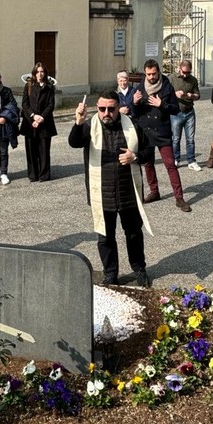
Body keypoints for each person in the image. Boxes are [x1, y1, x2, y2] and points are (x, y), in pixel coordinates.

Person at [68, 90, 153, 287]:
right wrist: (78, 122)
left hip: (128, 192)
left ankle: (139, 268)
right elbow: (74, 143)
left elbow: (149, 151)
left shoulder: (132, 125)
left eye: (111, 109)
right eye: (102, 109)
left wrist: (135, 157)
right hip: (102, 193)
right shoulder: (90, 125)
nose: (106, 113)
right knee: (105, 237)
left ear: (118, 108)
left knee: (133, 233)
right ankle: (110, 273)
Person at [132, 59, 191, 211]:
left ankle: (179, 197)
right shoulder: (140, 87)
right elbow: (135, 113)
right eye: (148, 74)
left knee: (170, 164)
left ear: (158, 72)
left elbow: (175, 109)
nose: (151, 77)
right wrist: (135, 103)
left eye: (153, 74)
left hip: (162, 131)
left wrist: (161, 105)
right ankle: (154, 192)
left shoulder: (166, 86)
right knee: (148, 163)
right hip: (145, 132)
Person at [20, 62, 57, 181]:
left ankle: (44, 175)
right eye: (37, 72)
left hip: (45, 123)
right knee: (31, 150)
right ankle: (33, 175)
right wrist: (33, 116)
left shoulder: (50, 87)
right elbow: (24, 104)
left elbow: (51, 105)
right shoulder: (29, 85)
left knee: (44, 150)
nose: (39, 74)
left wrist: (41, 118)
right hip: (30, 123)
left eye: (42, 72)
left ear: (45, 73)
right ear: (34, 73)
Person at [168, 59, 201, 170]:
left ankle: (191, 161)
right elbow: (165, 93)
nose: (185, 74)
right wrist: (174, 94)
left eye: (188, 72)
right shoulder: (172, 78)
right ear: (179, 68)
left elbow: (198, 95)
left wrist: (190, 96)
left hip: (189, 112)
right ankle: (176, 159)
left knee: (190, 139)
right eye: (184, 72)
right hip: (176, 112)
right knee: (176, 138)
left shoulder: (193, 80)